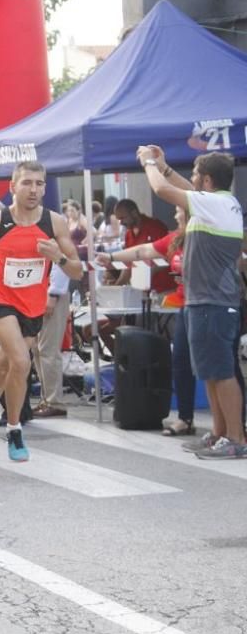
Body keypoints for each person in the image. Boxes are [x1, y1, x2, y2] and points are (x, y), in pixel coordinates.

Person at [0, 161, 82, 462]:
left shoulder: (55, 223)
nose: (34, 189)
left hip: (32, 306)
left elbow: (76, 270)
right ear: (13, 187)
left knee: (2, 367)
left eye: (39, 183)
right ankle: (14, 429)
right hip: (1, 299)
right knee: (22, 362)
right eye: (27, 183)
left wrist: (58, 258)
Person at [137, 146, 246, 459]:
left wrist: (149, 162)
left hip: (213, 301)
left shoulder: (216, 205)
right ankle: (220, 433)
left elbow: (160, 188)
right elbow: (182, 186)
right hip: (206, 301)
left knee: (222, 372)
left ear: (208, 181)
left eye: (197, 175)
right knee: (211, 371)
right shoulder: (218, 203)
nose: (192, 179)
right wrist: (165, 165)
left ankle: (236, 437)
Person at [94, 205, 191, 433]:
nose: (174, 214)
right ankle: (186, 418)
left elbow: (156, 263)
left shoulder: (161, 229)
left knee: (216, 370)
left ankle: (231, 428)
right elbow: (141, 254)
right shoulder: (172, 237)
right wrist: (111, 259)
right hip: (177, 303)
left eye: (178, 210)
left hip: (194, 302)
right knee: (181, 362)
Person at [32, 263, 72, 418]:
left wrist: (53, 294)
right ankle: (47, 399)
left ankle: (54, 402)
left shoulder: (55, 239)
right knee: (38, 349)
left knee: (48, 349)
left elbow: (60, 264)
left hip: (51, 293)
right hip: (39, 291)